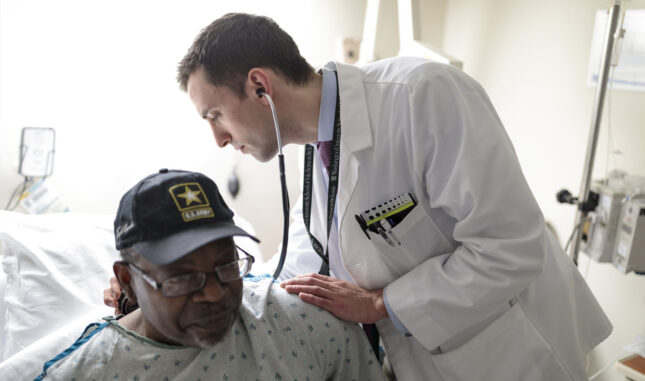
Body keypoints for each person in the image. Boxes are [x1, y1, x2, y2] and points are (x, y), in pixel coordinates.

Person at [105, 13, 611, 380]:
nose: (217, 138)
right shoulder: (316, 151)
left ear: (260, 86)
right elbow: (310, 264)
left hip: (512, 354)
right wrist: (155, 303)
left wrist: (380, 303)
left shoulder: (422, 97)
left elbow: (511, 246)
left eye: (214, 115)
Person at [39, 169, 384, 381]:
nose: (216, 293)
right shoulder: (86, 372)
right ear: (128, 280)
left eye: (226, 266)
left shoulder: (307, 327)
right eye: (183, 278)